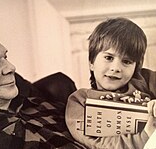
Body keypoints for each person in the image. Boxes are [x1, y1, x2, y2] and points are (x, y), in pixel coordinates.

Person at [65, 17, 156, 149]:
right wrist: (146, 136)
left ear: (136, 67)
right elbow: (96, 143)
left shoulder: (145, 79)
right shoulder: (80, 100)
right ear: (91, 62)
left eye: (127, 61)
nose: (116, 68)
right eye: (108, 58)